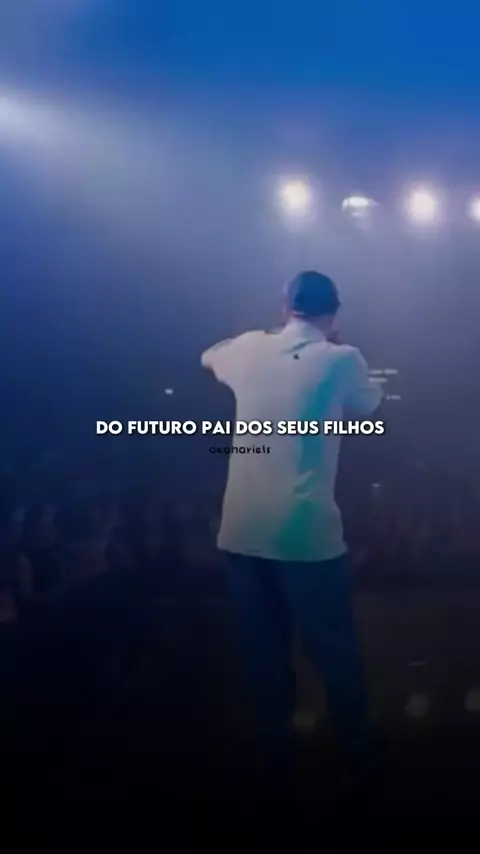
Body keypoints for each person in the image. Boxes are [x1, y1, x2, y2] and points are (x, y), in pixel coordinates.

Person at [201, 270, 382, 774]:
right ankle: (356, 753)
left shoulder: (248, 349)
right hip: (305, 535)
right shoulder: (341, 359)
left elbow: (208, 356)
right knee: (334, 651)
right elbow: (369, 403)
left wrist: (258, 342)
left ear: (285, 308)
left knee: (263, 656)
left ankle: (274, 759)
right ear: (334, 315)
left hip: (243, 533)